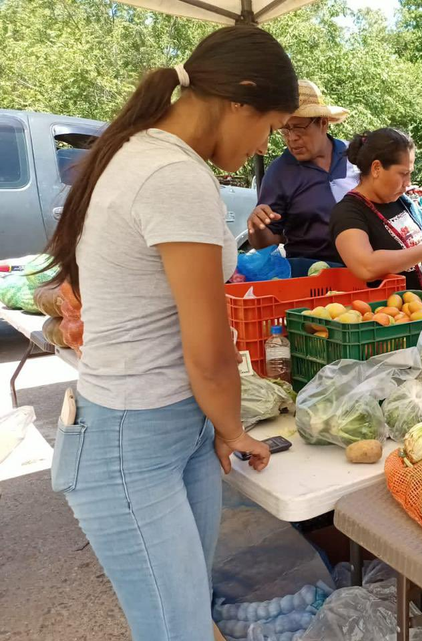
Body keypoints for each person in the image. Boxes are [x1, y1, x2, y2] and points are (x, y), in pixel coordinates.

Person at [44, 27, 293, 640]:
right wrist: (233, 428)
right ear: (239, 100)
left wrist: (210, 423)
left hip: (170, 424)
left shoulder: (144, 157)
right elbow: (207, 345)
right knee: (175, 630)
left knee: (188, 619)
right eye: (268, 127)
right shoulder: (172, 176)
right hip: (132, 438)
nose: (264, 145)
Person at [246, 80, 358, 275]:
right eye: (285, 130)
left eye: (298, 128)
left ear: (323, 123)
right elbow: (269, 240)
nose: (292, 138)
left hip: (364, 270)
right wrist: (256, 227)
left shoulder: (356, 158)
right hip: (308, 275)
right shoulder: (279, 172)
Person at [330, 128, 422, 292]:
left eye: (410, 173)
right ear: (376, 168)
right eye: (403, 174)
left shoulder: (401, 202)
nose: (408, 183)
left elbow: (408, 254)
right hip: (388, 315)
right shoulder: (347, 213)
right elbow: (365, 266)